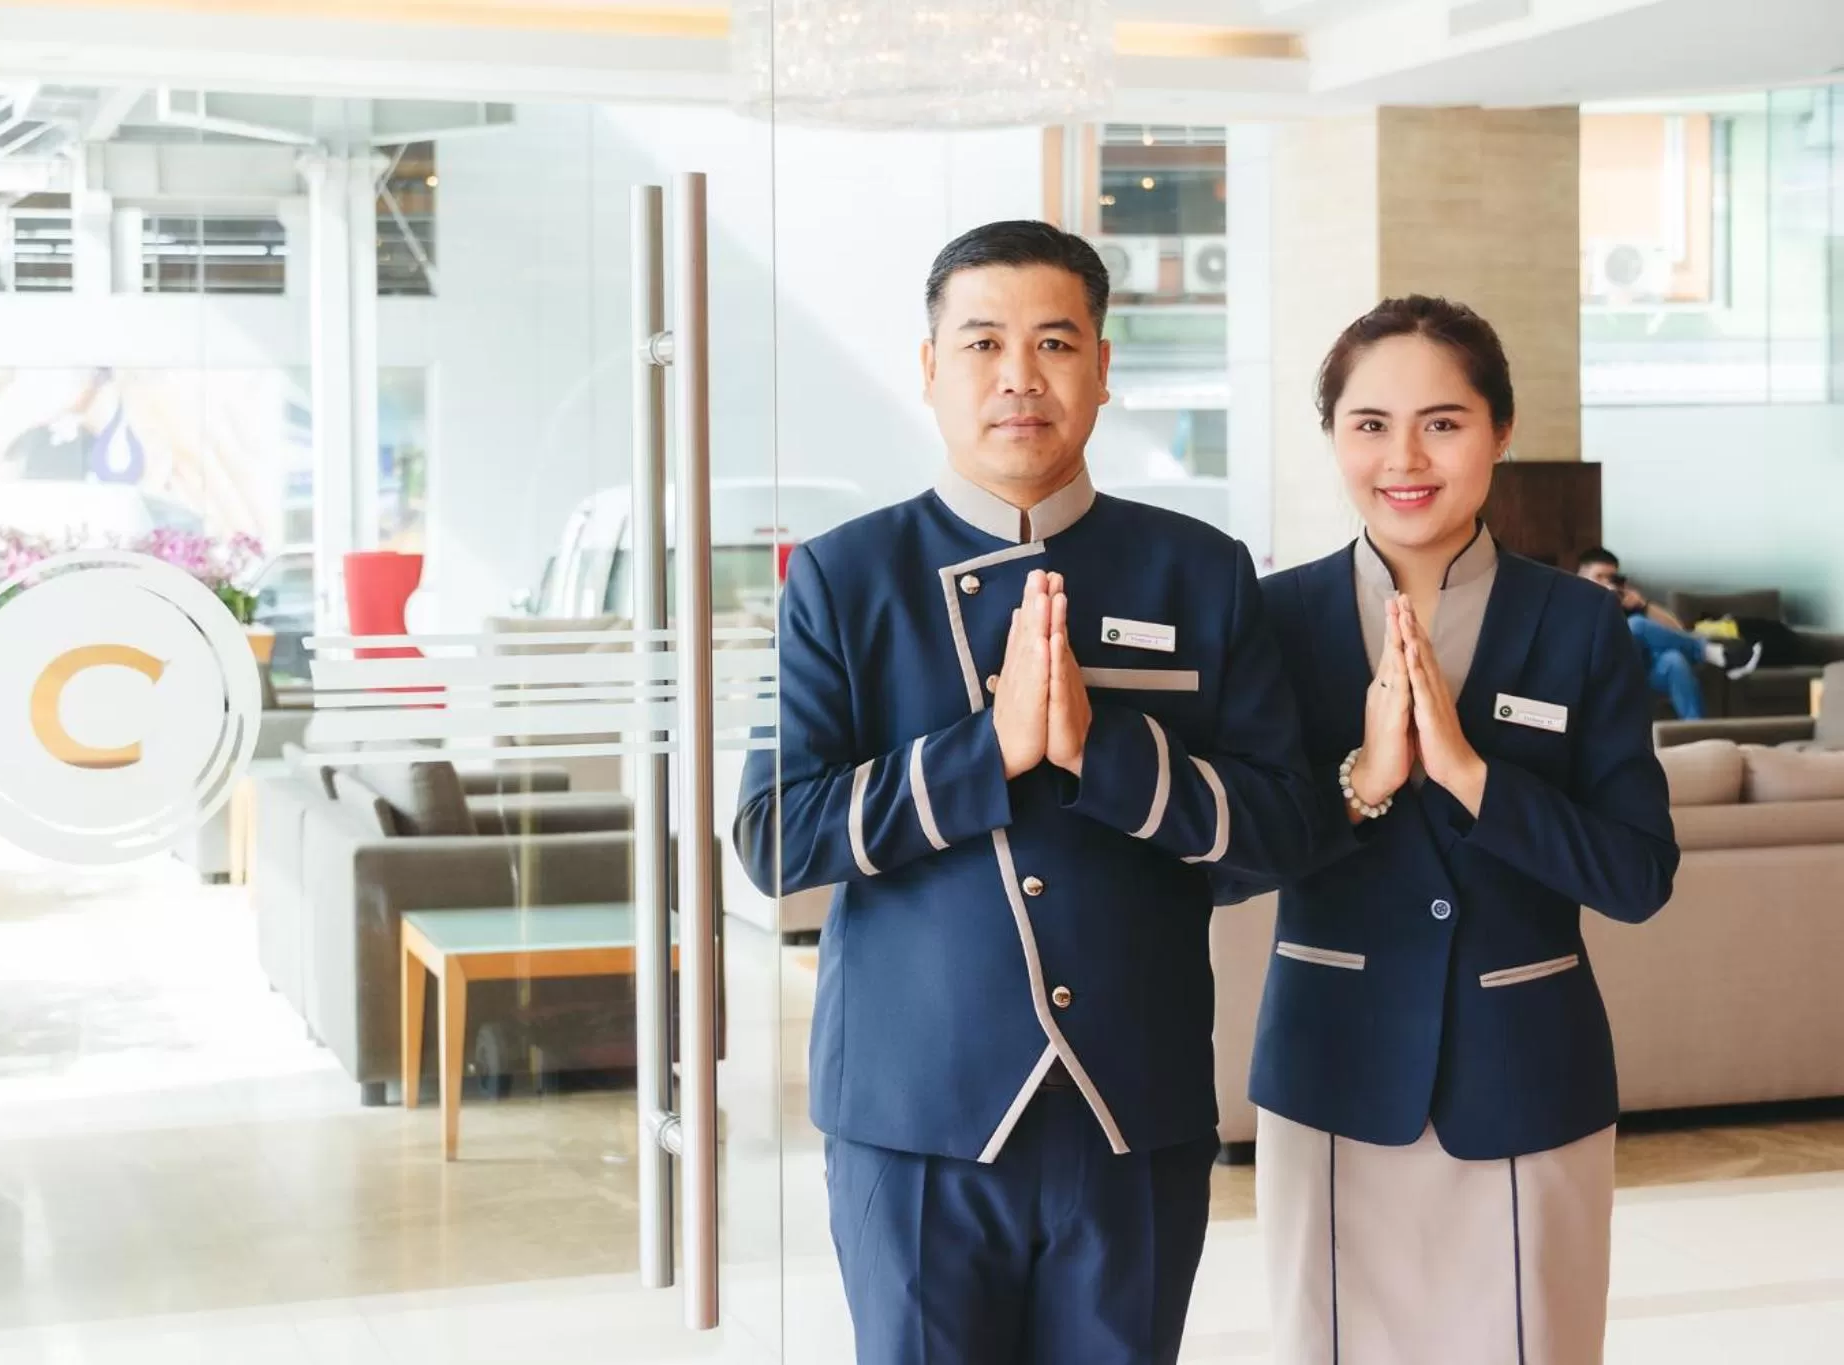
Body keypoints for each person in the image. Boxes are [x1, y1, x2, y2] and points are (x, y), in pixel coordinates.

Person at [734, 221, 1315, 1364]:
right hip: (910, 1118)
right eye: (981, 342)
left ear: (1101, 366)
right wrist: (981, 755)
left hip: (1131, 1107)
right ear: (929, 368)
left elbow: (1284, 830)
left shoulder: (1197, 570)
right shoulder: (844, 579)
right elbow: (770, 837)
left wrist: (1107, 758)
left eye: (1053, 342)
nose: (1017, 376)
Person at [1231, 296, 1680, 1363]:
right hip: (1330, 1070)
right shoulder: (1270, 620)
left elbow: (1635, 875)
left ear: (1500, 430)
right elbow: (1219, 862)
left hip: (1526, 1073)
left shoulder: (1577, 624)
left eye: (1441, 421)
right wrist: (1361, 780)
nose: (1404, 457)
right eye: (1368, 424)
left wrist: (1474, 778)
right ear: (1331, 437)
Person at [1576, 546, 1760, 719]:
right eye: (1599, 577)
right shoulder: (1573, 604)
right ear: (1582, 577)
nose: (1607, 583)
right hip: (1602, 673)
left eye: (1611, 578)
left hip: (1638, 673)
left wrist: (1644, 605)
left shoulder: (1623, 603)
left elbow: (1678, 631)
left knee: (1674, 660)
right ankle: (1714, 653)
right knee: (1637, 625)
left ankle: (1698, 734)